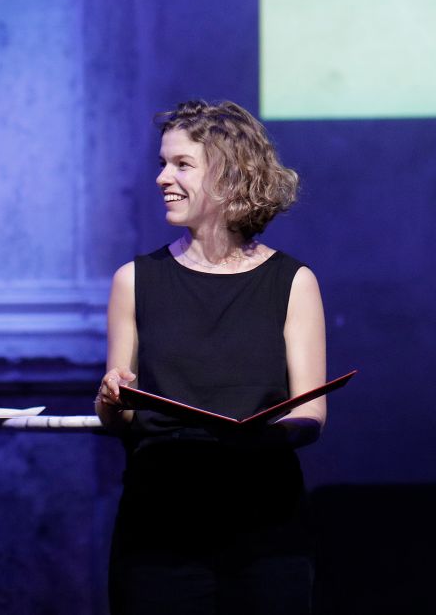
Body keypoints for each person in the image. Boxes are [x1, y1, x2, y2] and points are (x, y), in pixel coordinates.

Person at [94, 100, 327, 615]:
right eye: (162, 163)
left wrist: (258, 431)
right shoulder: (134, 281)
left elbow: (311, 414)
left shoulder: (292, 282)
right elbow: (121, 416)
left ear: (229, 174)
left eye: (181, 164)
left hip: (265, 521)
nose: (161, 178)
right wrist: (111, 399)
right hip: (161, 522)